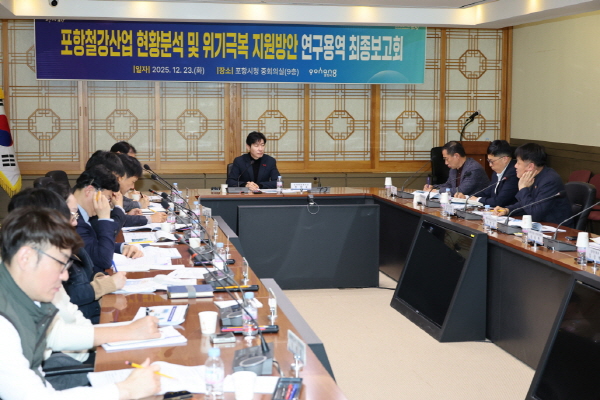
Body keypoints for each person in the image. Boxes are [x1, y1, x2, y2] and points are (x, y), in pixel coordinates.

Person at [0, 207, 161, 399]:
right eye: (60, 264)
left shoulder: (26, 293)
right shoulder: (4, 322)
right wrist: (125, 390)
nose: (65, 276)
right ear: (25, 258)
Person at [72, 165, 143, 274]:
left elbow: (92, 245)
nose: (108, 204)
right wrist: (104, 218)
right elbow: (103, 261)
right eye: (108, 198)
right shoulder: (73, 219)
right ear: (89, 191)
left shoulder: (82, 212)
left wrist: (121, 247)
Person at [493, 143, 573, 226]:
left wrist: (523, 188)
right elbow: (527, 203)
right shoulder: (533, 176)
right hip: (541, 225)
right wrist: (507, 210)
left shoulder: (550, 180)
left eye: (518, 163)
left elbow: (535, 214)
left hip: (558, 229)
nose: (515, 166)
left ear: (530, 166)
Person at [455, 140, 519, 207]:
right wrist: (467, 197)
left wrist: (477, 200)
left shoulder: (514, 174)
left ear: (505, 159)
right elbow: (486, 193)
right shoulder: (496, 172)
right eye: (489, 161)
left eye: (492, 161)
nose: (490, 165)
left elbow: (499, 201)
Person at [423, 141, 489, 196]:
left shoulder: (474, 169)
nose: (446, 163)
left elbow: (461, 191)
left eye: (447, 159)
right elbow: (449, 184)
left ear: (456, 156)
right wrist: (433, 187)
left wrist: (437, 191)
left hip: (478, 205)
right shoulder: (454, 168)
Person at [115, 153, 166, 225]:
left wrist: (128, 216)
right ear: (120, 178)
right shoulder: (104, 191)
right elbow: (113, 221)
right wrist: (149, 219)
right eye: (133, 182)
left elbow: (115, 218)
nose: (132, 187)